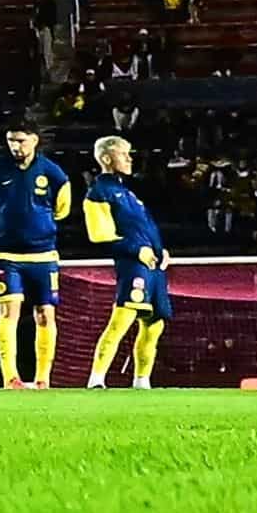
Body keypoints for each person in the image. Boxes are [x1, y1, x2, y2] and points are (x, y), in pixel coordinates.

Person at [0, 121, 74, 391]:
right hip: (7, 254)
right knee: (8, 313)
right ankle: (11, 377)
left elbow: (62, 210)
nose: (15, 146)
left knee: (45, 314)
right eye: (11, 140)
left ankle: (44, 377)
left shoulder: (54, 174)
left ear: (34, 141)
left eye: (20, 140)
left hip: (43, 255)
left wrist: (40, 227)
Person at [83, 133, 174, 389]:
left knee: (155, 324)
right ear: (106, 158)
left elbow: (144, 227)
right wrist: (137, 250)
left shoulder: (128, 192)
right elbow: (98, 235)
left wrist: (160, 249)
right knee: (122, 320)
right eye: (124, 153)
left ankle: (142, 381)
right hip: (133, 264)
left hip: (154, 267)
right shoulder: (98, 192)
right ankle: (96, 379)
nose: (129, 158)